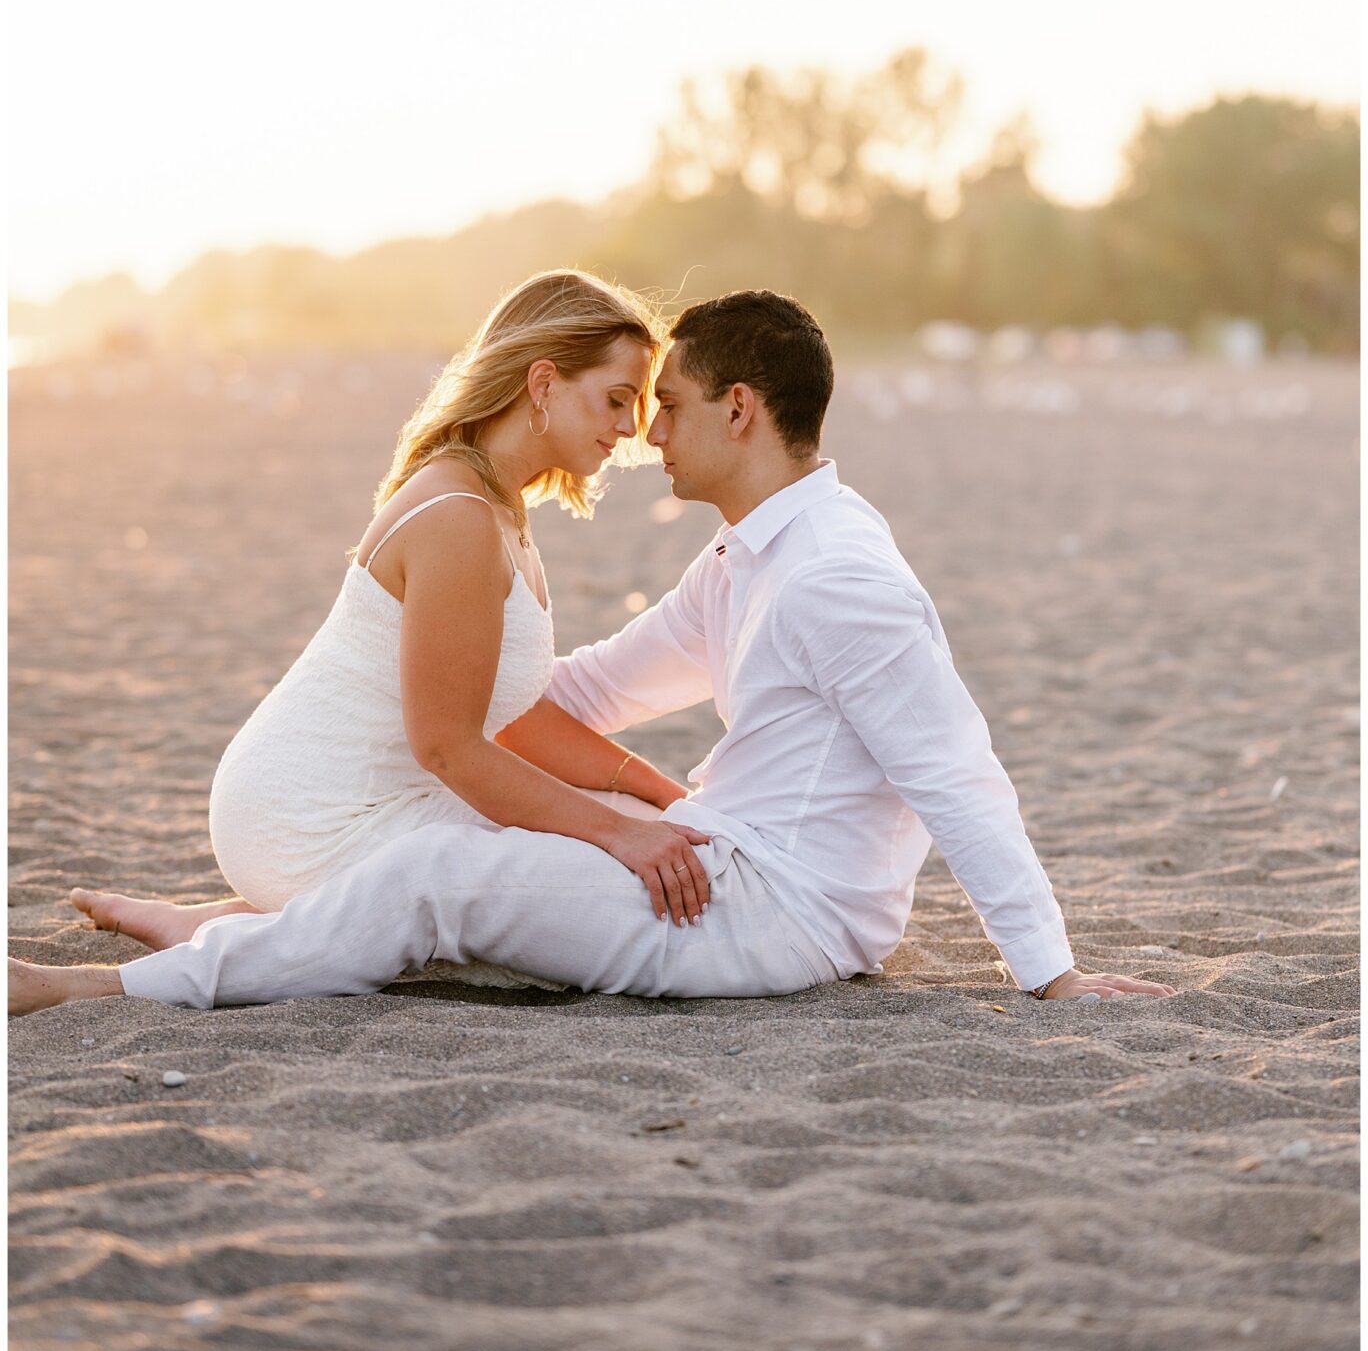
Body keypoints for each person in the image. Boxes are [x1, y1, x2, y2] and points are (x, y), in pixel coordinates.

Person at [10, 288, 1175, 1015]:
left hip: (786, 907)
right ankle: (226, 929)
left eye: (665, 404)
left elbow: (955, 772)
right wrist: (615, 794)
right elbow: (588, 690)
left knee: (440, 881)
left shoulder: (839, 579)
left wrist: (1050, 971)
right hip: (727, 857)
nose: (645, 434)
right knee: (464, 859)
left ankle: (101, 985)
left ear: (740, 409)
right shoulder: (747, 556)